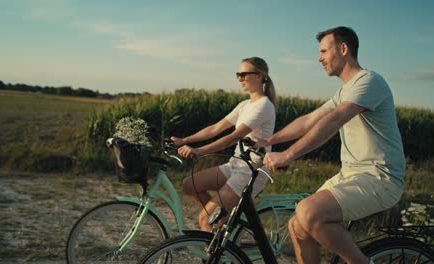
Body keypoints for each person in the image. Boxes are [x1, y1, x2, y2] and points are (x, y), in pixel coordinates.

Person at [258, 27, 405, 264]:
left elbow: (335, 119)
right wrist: (269, 141)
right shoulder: (345, 90)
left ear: (344, 49)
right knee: (298, 225)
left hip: (380, 177)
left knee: (310, 212)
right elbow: (309, 120)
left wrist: (288, 154)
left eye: (324, 50)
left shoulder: (369, 81)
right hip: (353, 175)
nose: (319, 58)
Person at [171, 57, 276, 231]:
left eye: (244, 74)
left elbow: (234, 137)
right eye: (238, 75)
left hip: (250, 172)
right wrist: (184, 140)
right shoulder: (245, 105)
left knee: (205, 220)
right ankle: (223, 223)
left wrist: (199, 151)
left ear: (259, 76)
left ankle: (215, 249)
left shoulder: (264, 105)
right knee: (190, 185)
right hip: (235, 165)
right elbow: (215, 128)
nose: (240, 78)